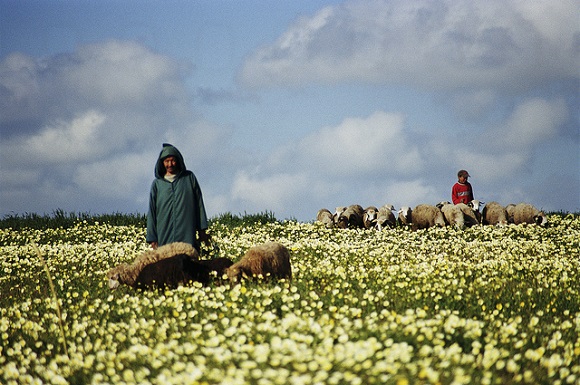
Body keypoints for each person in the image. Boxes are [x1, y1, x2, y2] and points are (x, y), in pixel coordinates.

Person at [146, 143, 210, 251]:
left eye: (173, 160)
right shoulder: (157, 184)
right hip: (164, 235)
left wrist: (202, 229)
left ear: (178, 161)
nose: (170, 164)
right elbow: (152, 212)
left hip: (187, 235)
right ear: (162, 163)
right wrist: (152, 238)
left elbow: (199, 203)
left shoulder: (189, 178)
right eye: (166, 161)